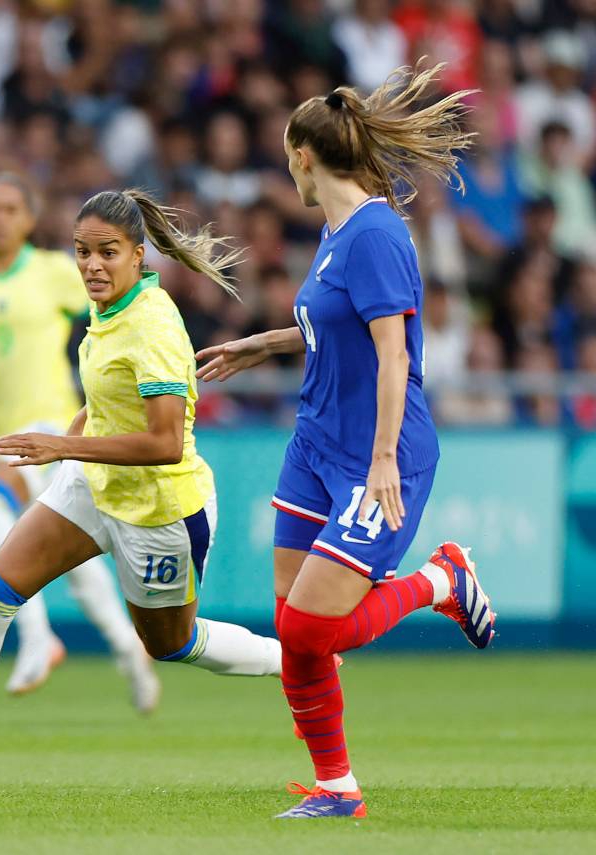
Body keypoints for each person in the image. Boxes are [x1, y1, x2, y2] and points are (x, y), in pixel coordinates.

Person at [0, 187, 285, 782]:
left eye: (107, 252)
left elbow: (165, 445)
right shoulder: (107, 307)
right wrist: (77, 434)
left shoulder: (155, 327)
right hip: (92, 480)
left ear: (139, 255)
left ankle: (294, 662)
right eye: (82, 252)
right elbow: (108, 393)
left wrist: (62, 446)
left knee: (171, 644)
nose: (91, 265)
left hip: (160, 509)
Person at [194, 65, 497, 820]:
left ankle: (440, 580)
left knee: (310, 625)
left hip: (373, 456)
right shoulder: (335, 233)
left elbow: (394, 354)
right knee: (295, 633)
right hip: (314, 446)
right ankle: (337, 787)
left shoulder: (376, 232)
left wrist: (385, 458)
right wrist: (261, 345)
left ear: (302, 154)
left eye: (284, 156)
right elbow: (329, 326)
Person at [0, 172, 161, 706]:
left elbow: (120, 305)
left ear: (29, 219)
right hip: (2, 437)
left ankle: (36, 637)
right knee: (69, 561)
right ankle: (129, 651)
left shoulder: (58, 271)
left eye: (10, 209)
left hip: (56, 428)